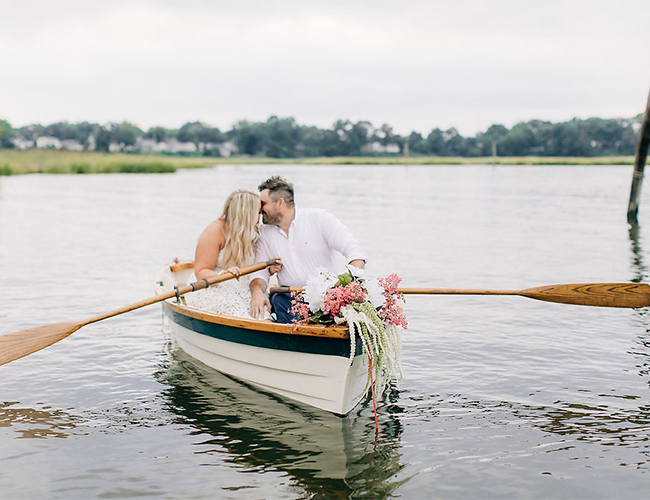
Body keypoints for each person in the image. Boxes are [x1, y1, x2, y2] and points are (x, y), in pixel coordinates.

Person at [249, 176, 366, 322]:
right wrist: (256, 292)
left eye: (263, 203)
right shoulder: (264, 232)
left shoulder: (319, 218)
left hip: (327, 298)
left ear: (280, 203)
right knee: (277, 299)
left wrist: (350, 284)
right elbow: (259, 273)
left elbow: (353, 248)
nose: (259, 209)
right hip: (288, 298)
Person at [185, 189, 271, 319]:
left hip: (241, 285)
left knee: (263, 312)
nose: (260, 217)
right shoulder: (215, 231)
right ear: (246, 213)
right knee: (235, 309)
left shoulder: (254, 231)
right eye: (258, 212)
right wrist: (223, 274)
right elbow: (201, 272)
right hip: (212, 285)